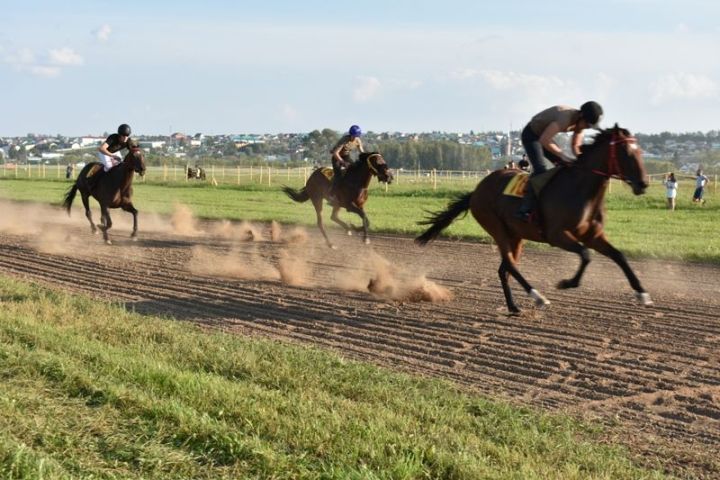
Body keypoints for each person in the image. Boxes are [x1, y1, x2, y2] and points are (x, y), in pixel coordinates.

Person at [515, 101, 603, 221]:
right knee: (541, 169)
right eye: (587, 125)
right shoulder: (565, 118)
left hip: (543, 136)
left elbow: (576, 144)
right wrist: (562, 155)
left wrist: (580, 160)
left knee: (566, 166)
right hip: (532, 135)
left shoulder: (580, 122)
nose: (586, 128)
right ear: (581, 116)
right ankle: (524, 209)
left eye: (589, 127)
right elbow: (544, 139)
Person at [88, 124, 132, 188]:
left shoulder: (128, 141)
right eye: (123, 136)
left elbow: (133, 151)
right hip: (104, 152)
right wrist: (112, 156)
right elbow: (101, 148)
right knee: (109, 166)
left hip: (115, 152)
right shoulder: (113, 138)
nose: (125, 138)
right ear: (119, 135)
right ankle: (94, 182)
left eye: (127, 136)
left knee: (120, 166)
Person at [329, 124, 364, 201]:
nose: (355, 137)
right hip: (337, 158)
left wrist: (365, 157)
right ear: (350, 134)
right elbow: (335, 153)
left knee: (354, 169)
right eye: (354, 136)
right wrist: (342, 162)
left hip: (346, 156)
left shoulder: (357, 140)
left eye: (357, 136)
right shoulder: (344, 140)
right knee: (338, 175)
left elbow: (361, 151)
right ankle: (332, 195)